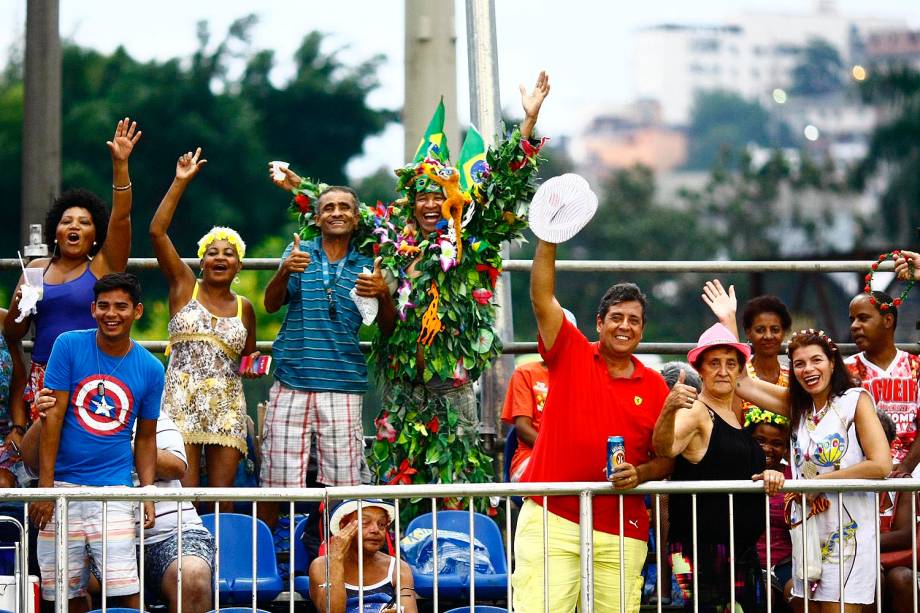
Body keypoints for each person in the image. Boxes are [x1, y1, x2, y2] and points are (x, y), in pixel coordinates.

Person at [368, 72, 551, 512]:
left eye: (440, 195)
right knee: (399, 484)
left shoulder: (471, 240)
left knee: (456, 485)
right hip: (403, 387)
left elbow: (501, 185)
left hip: (451, 389)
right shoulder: (394, 249)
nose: (432, 204)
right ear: (411, 204)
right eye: (423, 197)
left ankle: (458, 567)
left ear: (455, 200)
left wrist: (528, 121)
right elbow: (345, 218)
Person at [515, 232, 675, 613]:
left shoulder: (655, 384)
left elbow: (667, 459)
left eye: (634, 320)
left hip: (622, 527)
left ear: (643, 330)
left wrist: (640, 474)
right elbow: (541, 298)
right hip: (552, 516)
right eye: (616, 317)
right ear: (599, 323)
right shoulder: (571, 353)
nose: (624, 326)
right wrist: (549, 238)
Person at [709, 281, 892, 611]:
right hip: (808, 534)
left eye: (816, 360)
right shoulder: (799, 408)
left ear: (833, 363)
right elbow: (741, 381)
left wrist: (814, 485)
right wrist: (729, 320)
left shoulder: (854, 401)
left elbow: (881, 465)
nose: (808, 369)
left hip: (849, 532)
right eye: (799, 364)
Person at [259, 177, 395, 529]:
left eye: (344, 207)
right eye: (328, 208)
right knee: (276, 477)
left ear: (355, 218)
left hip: (343, 384)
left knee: (345, 484)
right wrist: (284, 270)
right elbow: (271, 305)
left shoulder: (369, 264)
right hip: (292, 379)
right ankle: (266, 559)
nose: (336, 213)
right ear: (317, 219)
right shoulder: (299, 252)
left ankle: (338, 556)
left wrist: (383, 293)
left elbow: (388, 329)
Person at [28, 272, 161, 612]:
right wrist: (46, 489)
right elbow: (52, 417)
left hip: (114, 491)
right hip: (60, 486)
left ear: (137, 311)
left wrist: (146, 493)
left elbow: (145, 437)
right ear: (92, 309)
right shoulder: (68, 344)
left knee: (124, 586)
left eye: (121, 306)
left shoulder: (151, 367)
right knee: (62, 593)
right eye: (103, 306)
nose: (111, 314)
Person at [4, 118, 142, 444]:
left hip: (91, 374)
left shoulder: (103, 267)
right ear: (56, 231)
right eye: (67, 221)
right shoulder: (36, 269)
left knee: (85, 451)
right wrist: (21, 305)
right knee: (45, 461)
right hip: (44, 380)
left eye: (84, 222)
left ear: (96, 234)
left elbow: (122, 217)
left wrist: (120, 165)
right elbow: (13, 333)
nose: (74, 226)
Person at [149, 147, 263, 510]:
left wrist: (255, 363)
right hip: (180, 402)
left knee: (222, 499)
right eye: (212, 252)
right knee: (187, 498)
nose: (220, 257)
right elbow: (157, 231)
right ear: (201, 260)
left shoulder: (245, 308)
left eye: (228, 253)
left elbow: (248, 358)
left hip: (226, 407)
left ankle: (225, 564)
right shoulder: (184, 285)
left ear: (239, 265)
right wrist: (179, 183)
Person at [25, 398, 214, 613]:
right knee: (69, 578)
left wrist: (120, 444)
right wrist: (47, 416)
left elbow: (178, 466)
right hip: (98, 538)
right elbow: (30, 463)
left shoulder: (144, 410)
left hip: (172, 535)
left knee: (193, 577)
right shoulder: (68, 416)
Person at [653, 308, 783, 613]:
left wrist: (729, 319)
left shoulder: (734, 412)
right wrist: (669, 410)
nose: (723, 371)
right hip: (702, 550)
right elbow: (665, 447)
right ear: (701, 370)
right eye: (714, 364)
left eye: (730, 364)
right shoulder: (697, 411)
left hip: (741, 551)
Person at [846, 290, 920, 472]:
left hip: (914, 475)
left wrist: (905, 470)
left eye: (863, 318)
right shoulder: (845, 370)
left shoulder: (915, 367)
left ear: (888, 320)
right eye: (852, 320)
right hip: (863, 476)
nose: (854, 326)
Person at [308, 499, 417, 613]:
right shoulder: (321, 566)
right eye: (364, 522)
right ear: (343, 526)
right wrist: (335, 559)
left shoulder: (398, 568)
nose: (375, 530)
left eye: (381, 524)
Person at [746, 407, 794, 610]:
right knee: (763, 596)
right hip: (751, 564)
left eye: (777, 443)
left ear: (786, 448)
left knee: (800, 597)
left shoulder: (795, 476)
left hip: (789, 564)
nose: (767, 448)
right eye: (760, 440)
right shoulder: (737, 473)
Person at [738, 295, 792, 422]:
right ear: (748, 332)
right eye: (760, 330)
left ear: (784, 332)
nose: (768, 336)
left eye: (775, 329)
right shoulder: (739, 375)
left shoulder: (794, 378)